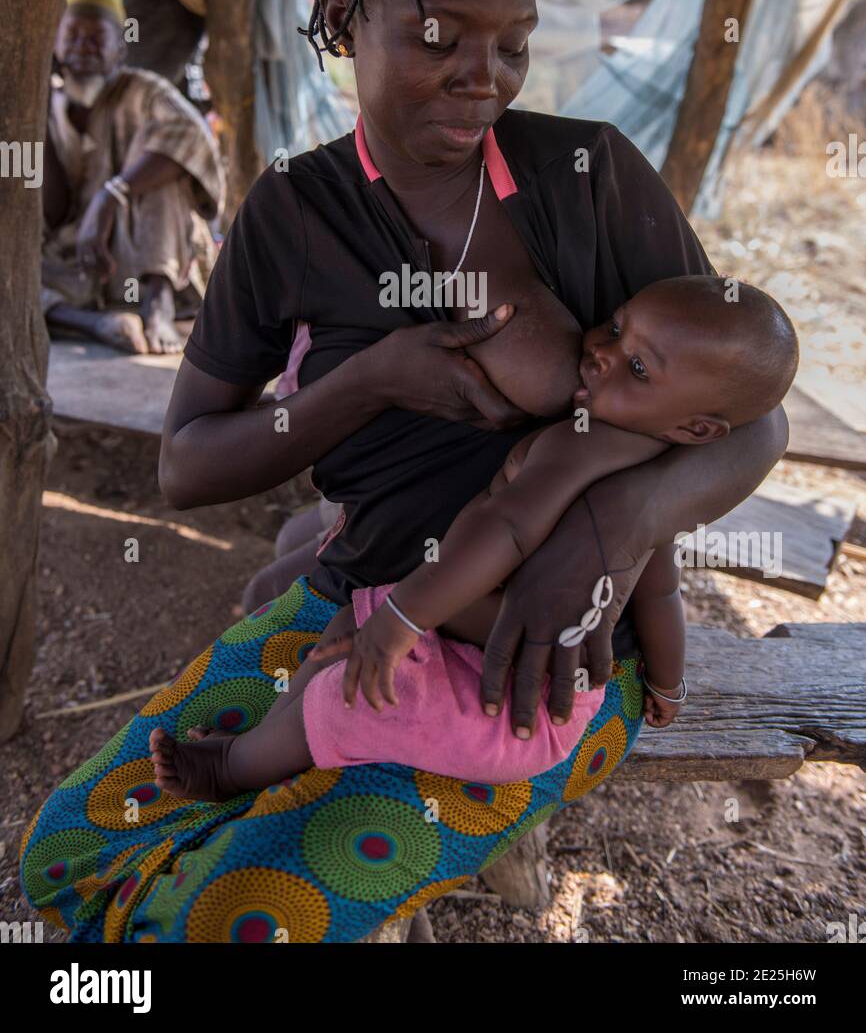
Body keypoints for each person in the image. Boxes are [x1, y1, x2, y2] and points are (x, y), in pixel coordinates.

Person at [20, 0, 788, 943]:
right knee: (73, 852)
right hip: (364, 605)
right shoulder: (290, 213)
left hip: (542, 663)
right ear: (341, 10)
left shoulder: (588, 176)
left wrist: (608, 539)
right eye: (438, 36)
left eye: (511, 40)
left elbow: (748, 416)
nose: (481, 73)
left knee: (236, 909)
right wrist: (365, 382)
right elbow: (188, 469)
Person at [149, 276, 798, 799]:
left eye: (636, 366)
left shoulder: (580, 444)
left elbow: (505, 526)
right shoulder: (657, 476)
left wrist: (405, 613)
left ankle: (234, 769)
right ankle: (273, 741)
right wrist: (669, 684)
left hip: (507, 699)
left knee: (345, 687)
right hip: (552, 691)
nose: (602, 348)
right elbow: (660, 595)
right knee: (354, 624)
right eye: (617, 325)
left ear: (700, 429)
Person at [42, 0, 224, 354]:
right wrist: (39, 113)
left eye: (96, 38)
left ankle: (158, 305)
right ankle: (98, 324)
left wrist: (111, 196)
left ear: (120, 49)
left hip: (150, 247)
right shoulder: (50, 104)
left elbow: (190, 138)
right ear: (56, 46)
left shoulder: (144, 89)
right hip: (81, 258)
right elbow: (53, 212)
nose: (82, 47)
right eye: (72, 36)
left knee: (163, 157)